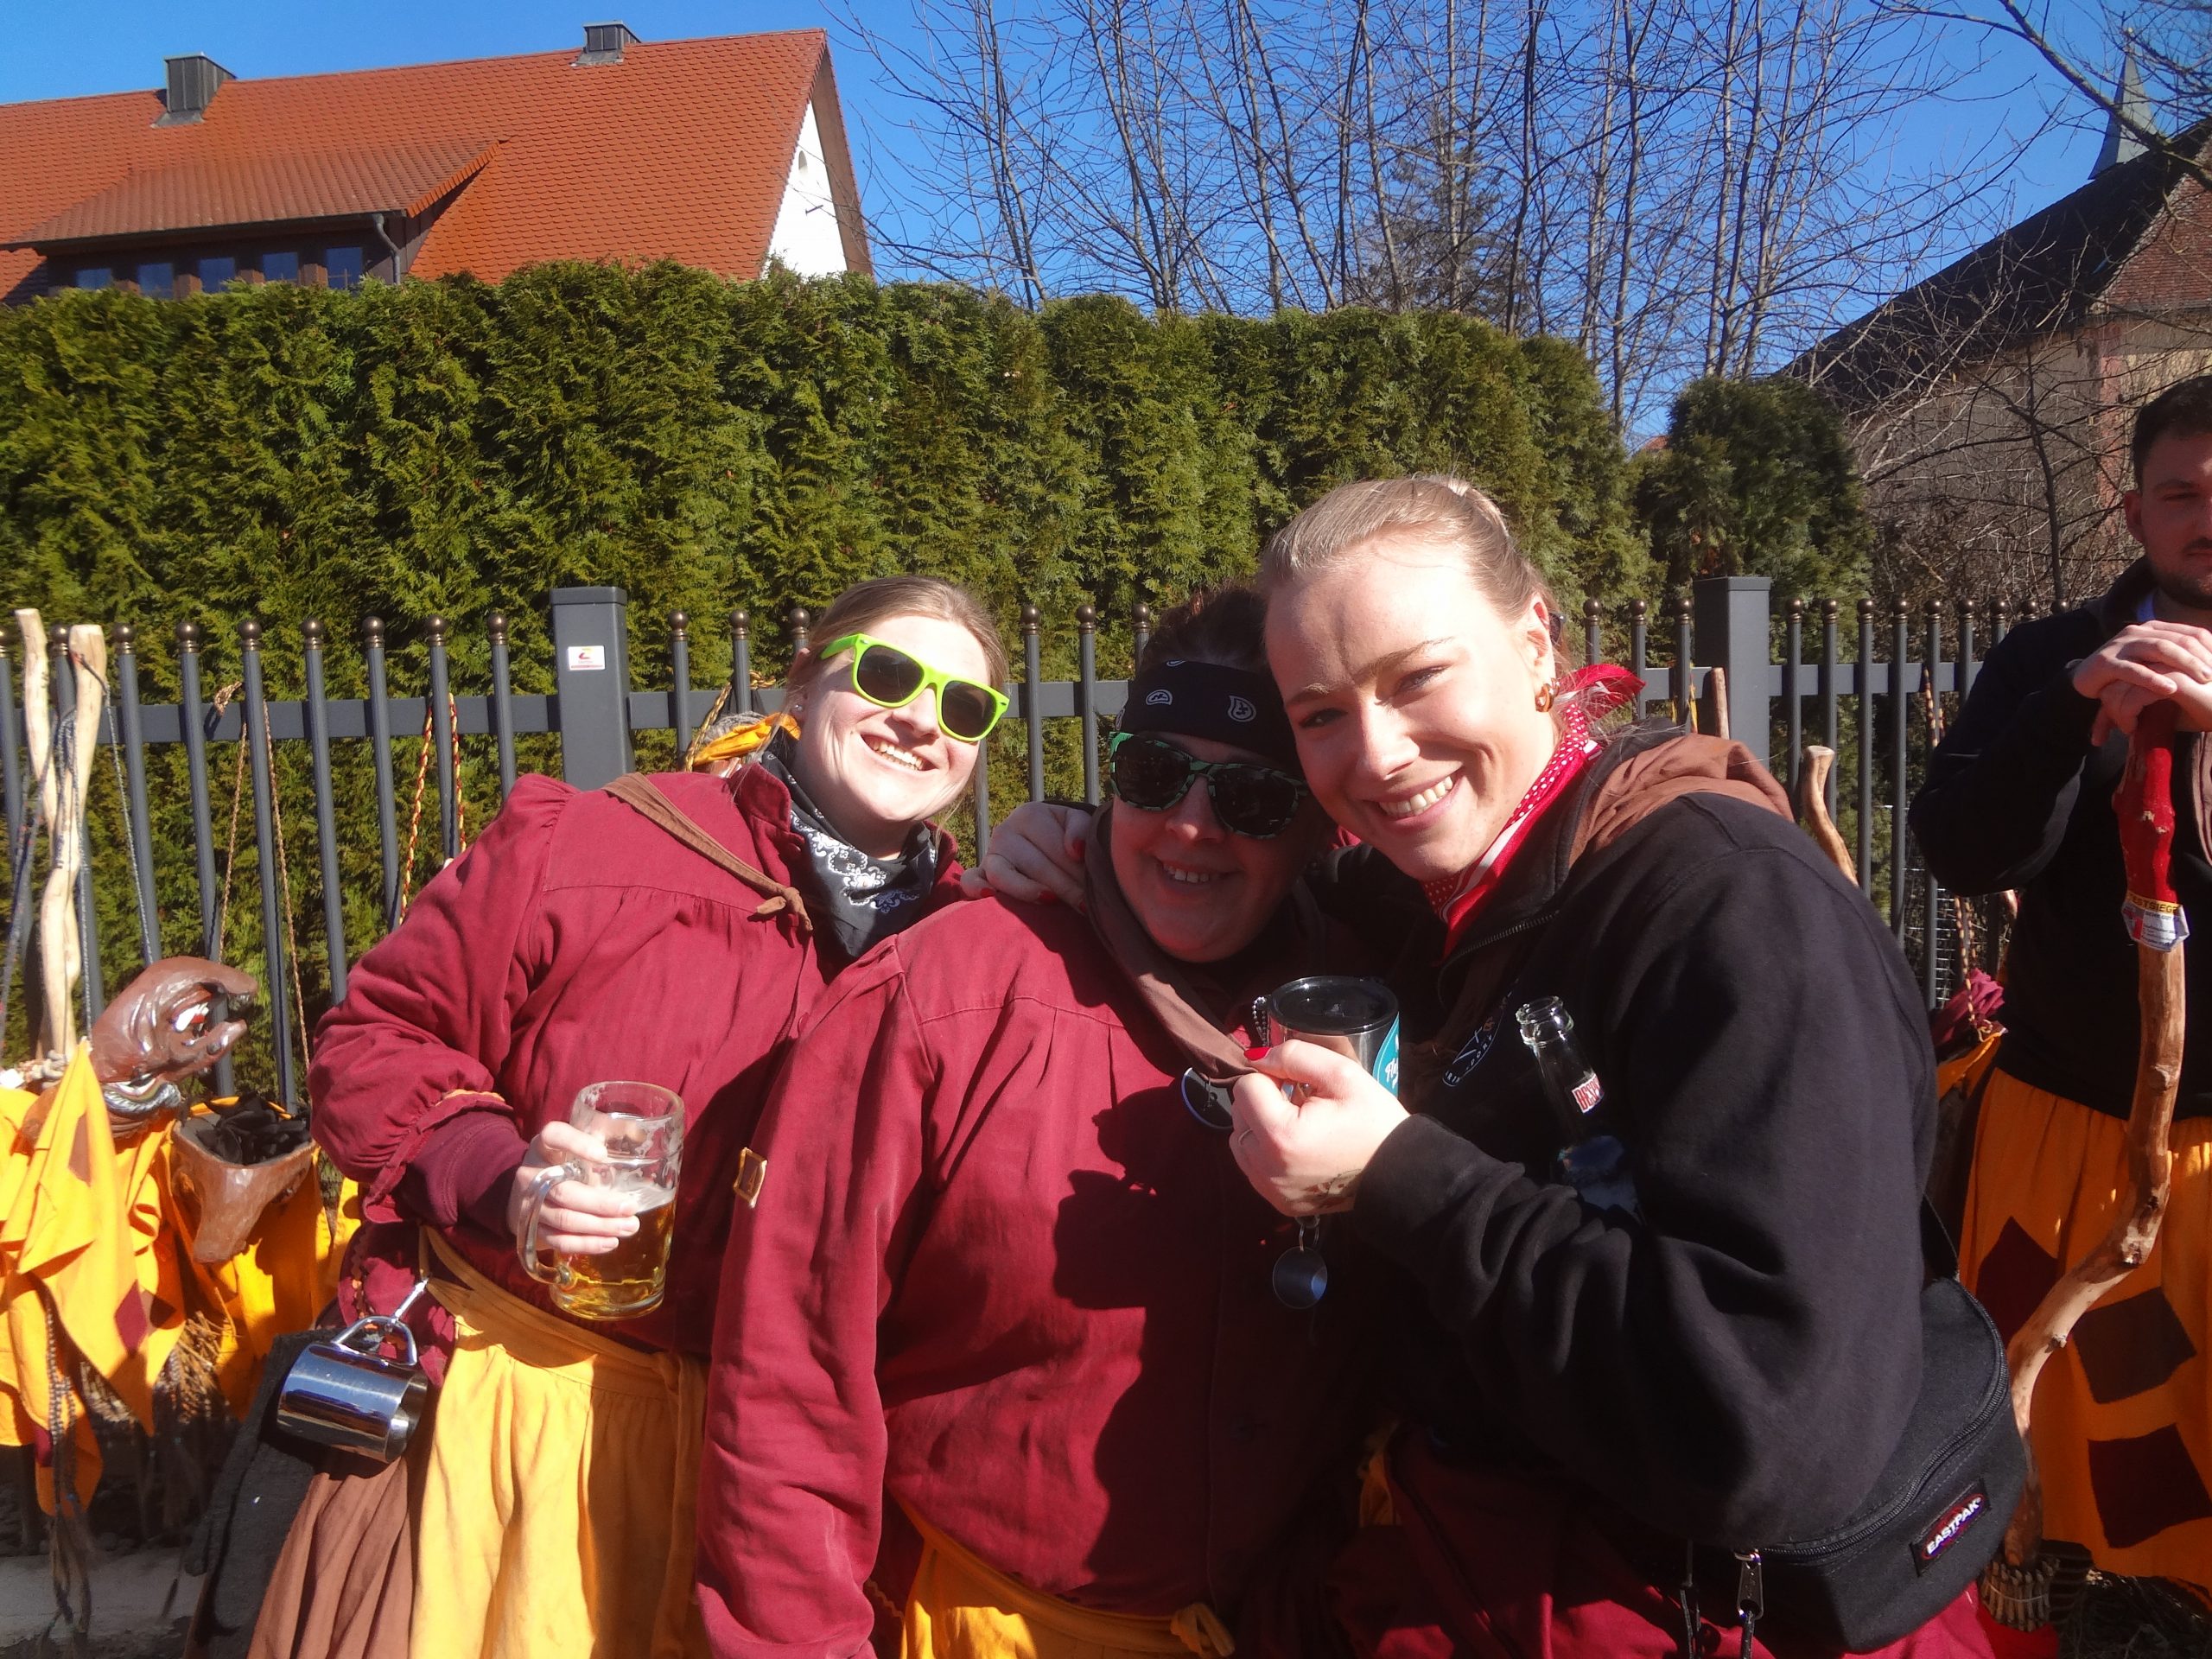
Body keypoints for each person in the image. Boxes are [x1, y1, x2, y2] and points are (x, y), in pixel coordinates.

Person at [975, 478, 1989, 1656]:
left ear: (1535, 642)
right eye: (1321, 715)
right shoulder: (1456, 883)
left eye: (1416, 678)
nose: (1378, 754)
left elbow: (1769, 1432)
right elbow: (1244, 856)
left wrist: (1399, 1176)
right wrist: (1090, 835)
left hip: (1700, 1615)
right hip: (1481, 1576)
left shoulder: (1733, 910)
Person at [304, 575, 1008, 1659]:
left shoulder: (971, 948)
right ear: (803, 682)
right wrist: (502, 1176)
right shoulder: (592, 846)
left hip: (783, 1497)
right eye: (886, 675)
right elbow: (376, 1039)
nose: (921, 718)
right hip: (524, 1436)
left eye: (963, 706)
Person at [694, 589, 1379, 1659]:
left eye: (1251, 797)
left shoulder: (1373, 987)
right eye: (1153, 776)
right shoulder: (939, 996)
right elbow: (790, 1376)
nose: (1190, 826)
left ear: (1317, 823)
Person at [1911, 374, 2212, 1596]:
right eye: (2180, 494)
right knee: (2058, 1452)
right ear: (2131, 511)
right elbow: (1963, 851)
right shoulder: (2048, 658)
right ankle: (2029, 1610)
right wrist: (2072, 706)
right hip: (2062, 1132)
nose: (2206, 518)